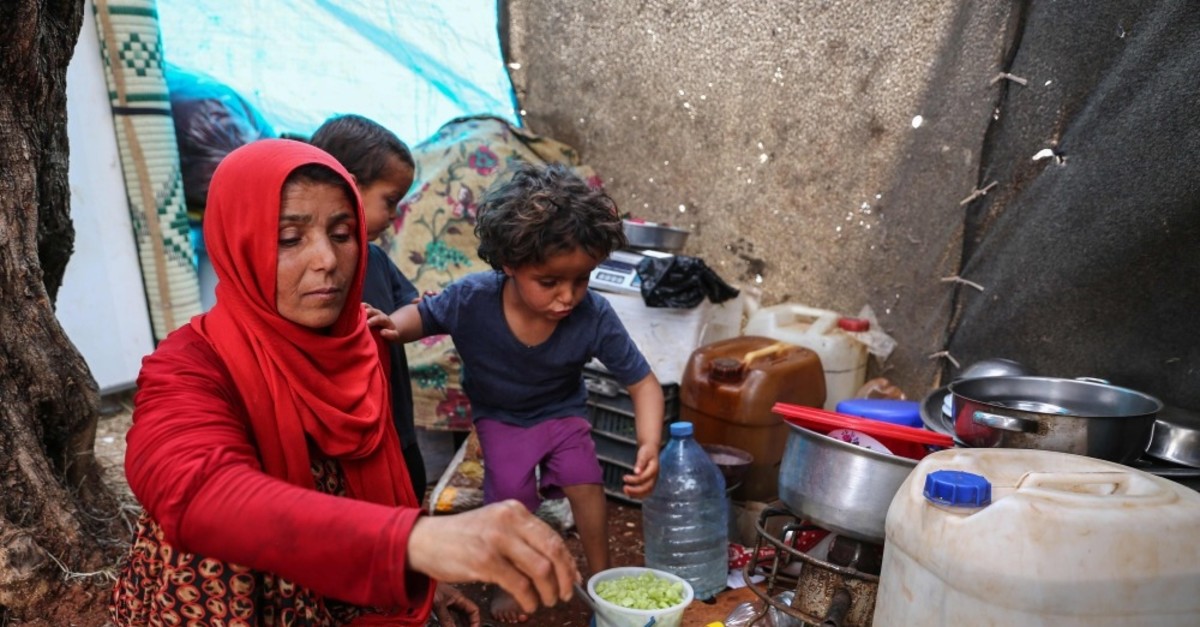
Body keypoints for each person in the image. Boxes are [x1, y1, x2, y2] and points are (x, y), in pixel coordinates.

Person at [109, 140, 580, 626]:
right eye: (289, 239)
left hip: (341, 582)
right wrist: (414, 542)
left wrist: (424, 576)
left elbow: (384, 475)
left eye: (342, 233)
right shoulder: (189, 365)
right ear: (238, 239)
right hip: (238, 604)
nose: (327, 261)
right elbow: (196, 494)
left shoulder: (361, 337)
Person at [367, 162, 664, 623]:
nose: (567, 296)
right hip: (501, 418)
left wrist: (648, 443)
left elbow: (642, 382)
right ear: (509, 264)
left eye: (581, 280)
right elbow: (423, 318)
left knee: (586, 482)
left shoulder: (595, 315)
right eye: (549, 282)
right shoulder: (472, 298)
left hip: (562, 413)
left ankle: (603, 576)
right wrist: (391, 326)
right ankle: (509, 579)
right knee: (509, 498)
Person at [310, 114, 427, 499]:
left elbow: (410, 307)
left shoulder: (375, 259)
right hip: (352, 435)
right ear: (348, 186)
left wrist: (419, 312)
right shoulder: (314, 271)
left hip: (396, 420)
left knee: (410, 490)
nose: (393, 218)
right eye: (389, 201)